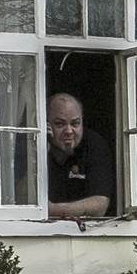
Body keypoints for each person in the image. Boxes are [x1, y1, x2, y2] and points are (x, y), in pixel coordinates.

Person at [44, 92, 117, 221]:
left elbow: (99, 205)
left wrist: (50, 210)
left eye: (75, 124)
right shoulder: (35, 145)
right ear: (46, 125)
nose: (69, 131)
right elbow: (24, 197)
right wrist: (43, 151)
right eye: (60, 124)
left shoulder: (94, 144)